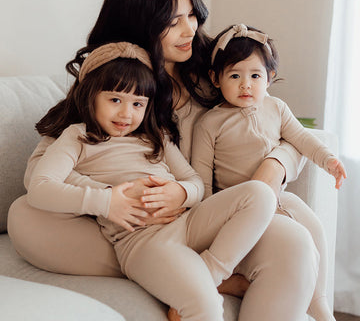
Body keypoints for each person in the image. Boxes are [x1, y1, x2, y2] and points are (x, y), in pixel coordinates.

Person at [8, 0, 320, 320]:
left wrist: (275, 165)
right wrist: (119, 194)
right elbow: (39, 176)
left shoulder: (219, 72)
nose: (189, 29)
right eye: (172, 21)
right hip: (132, 225)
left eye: (192, 15)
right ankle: (178, 273)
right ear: (138, 20)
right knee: (25, 217)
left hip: (214, 214)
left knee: (293, 243)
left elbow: (284, 125)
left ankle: (192, 272)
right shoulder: (115, 79)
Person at [27, 41, 277, 321]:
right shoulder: (77, 137)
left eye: (137, 104)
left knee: (260, 194)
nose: (126, 114)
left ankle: (212, 273)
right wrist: (107, 202)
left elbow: (194, 181)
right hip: (143, 240)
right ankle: (207, 286)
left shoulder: (154, 136)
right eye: (114, 100)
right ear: (91, 95)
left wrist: (180, 193)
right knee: (205, 306)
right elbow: (39, 187)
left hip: (188, 220)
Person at [191, 23, 347, 321]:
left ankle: (320, 304)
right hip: (239, 205)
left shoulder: (276, 108)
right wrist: (210, 224)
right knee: (291, 239)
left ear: (269, 78)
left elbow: (301, 139)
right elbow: (202, 177)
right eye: (234, 76)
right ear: (216, 78)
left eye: (255, 76)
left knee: (314, 227)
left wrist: (328, 160)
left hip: (279, 197)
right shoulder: (210, 123)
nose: (245, 85)